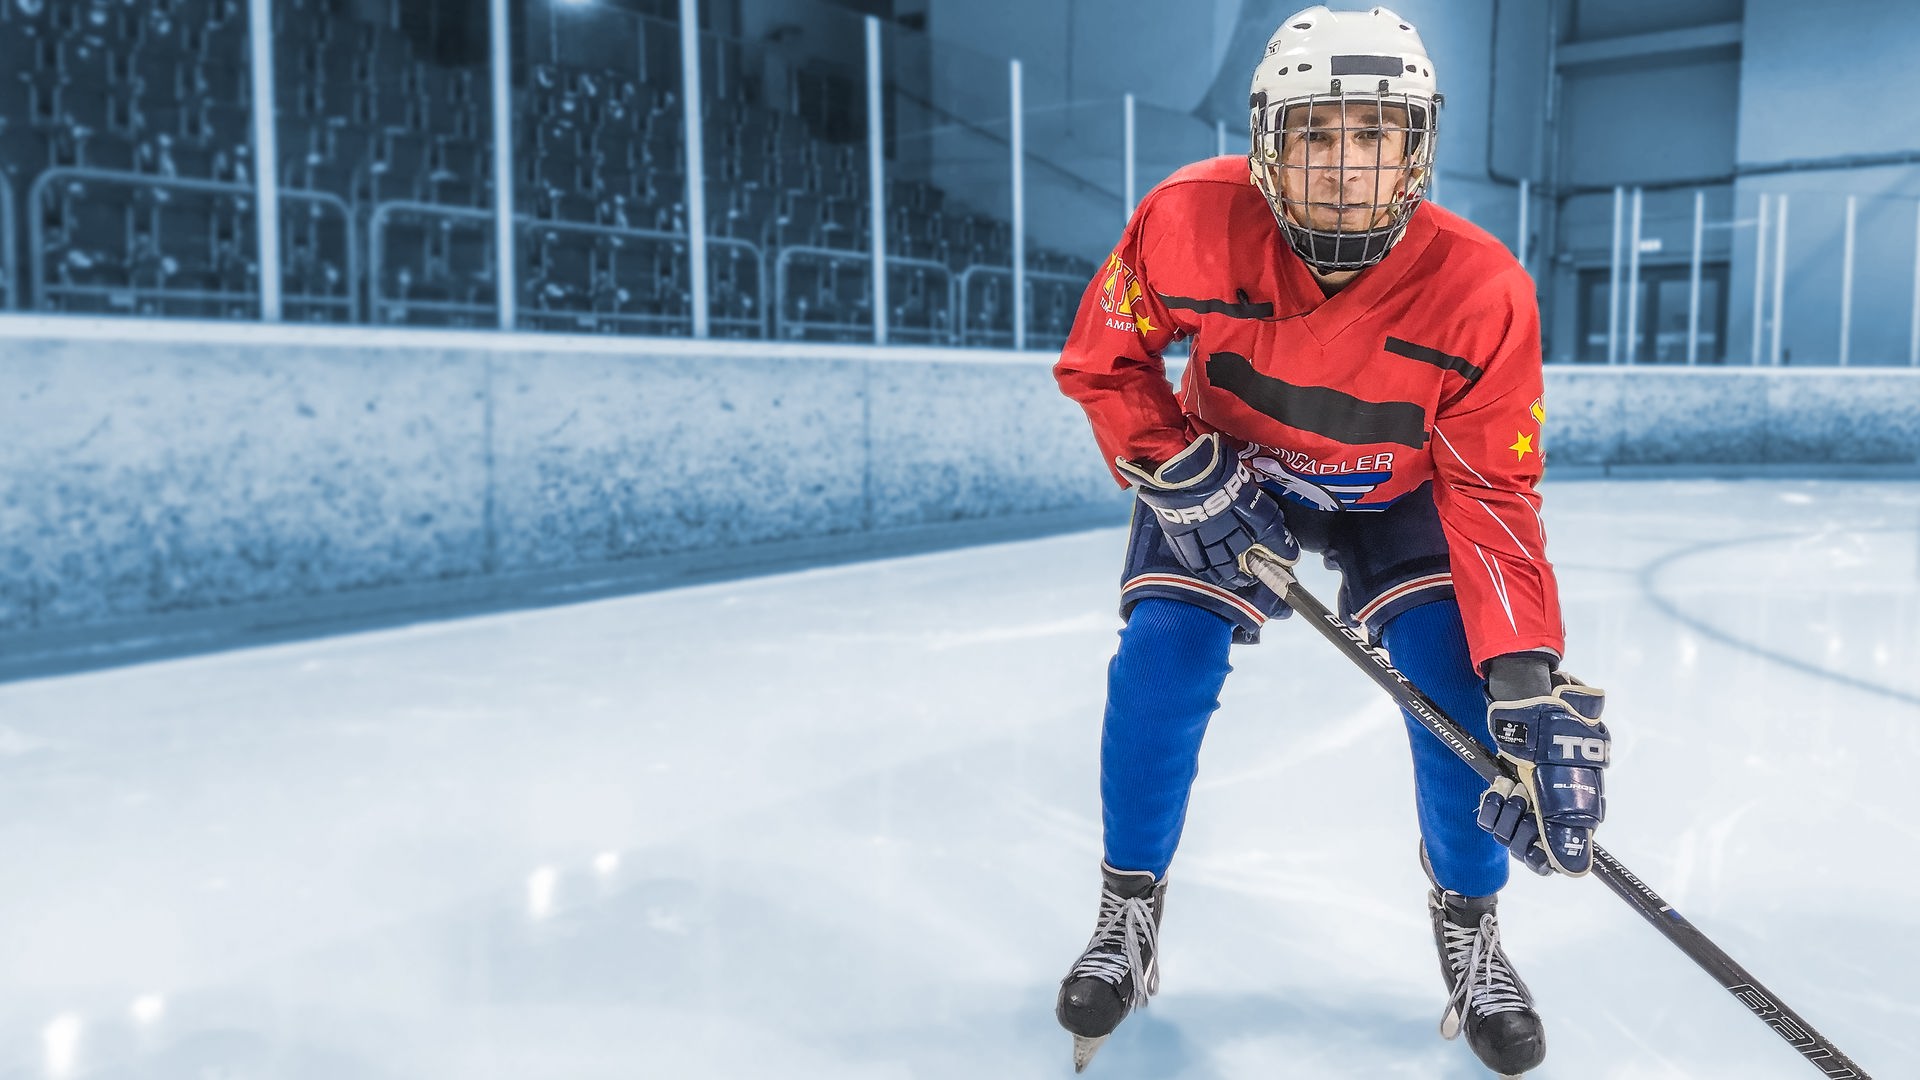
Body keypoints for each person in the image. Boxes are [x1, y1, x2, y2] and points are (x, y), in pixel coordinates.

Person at [1049, 7, 1612, 1077]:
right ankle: (1129, 905)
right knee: (1159, 661)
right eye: (1316, 133)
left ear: (1417, 147)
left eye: (1374, 133)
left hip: (1399, 493)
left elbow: (1493, 489)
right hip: (1227, 470)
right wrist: (1171, 464)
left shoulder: (1485, 289)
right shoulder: (1185, 217)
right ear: (1268, 142)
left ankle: (1471, 925)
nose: (1346, 164)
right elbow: (1105, 361)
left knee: (1459, 698)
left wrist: (1527, 684)